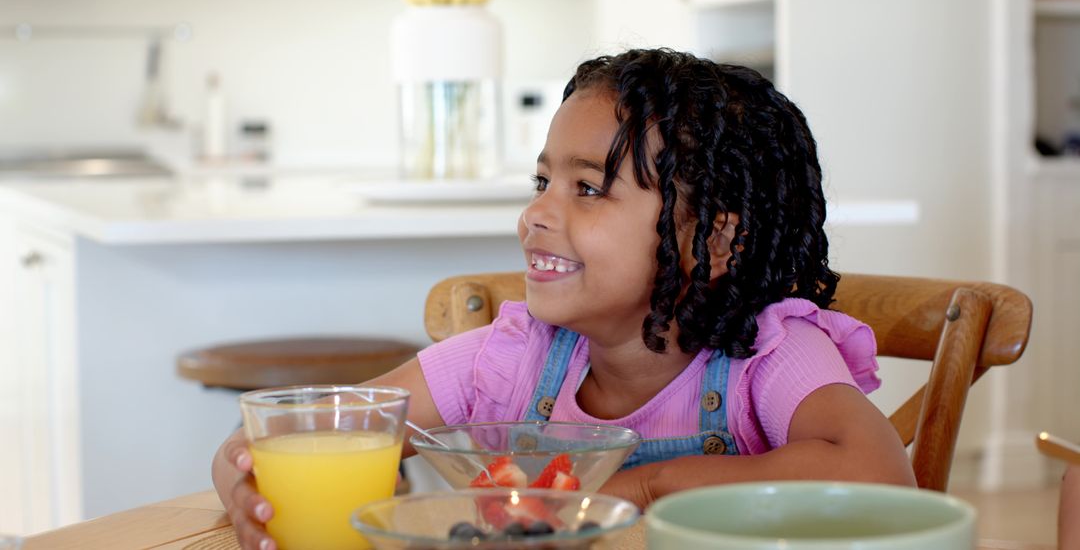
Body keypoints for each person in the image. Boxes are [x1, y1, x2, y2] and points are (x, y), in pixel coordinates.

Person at [211, 48, 916, 550]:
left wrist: (640, 489)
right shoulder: (513, 360)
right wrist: (247, 479)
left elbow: (880, 476)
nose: (536, 216)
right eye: (540, 182)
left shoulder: (769, 354)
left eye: (586, 188)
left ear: (717, 237)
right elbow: (303, 435)